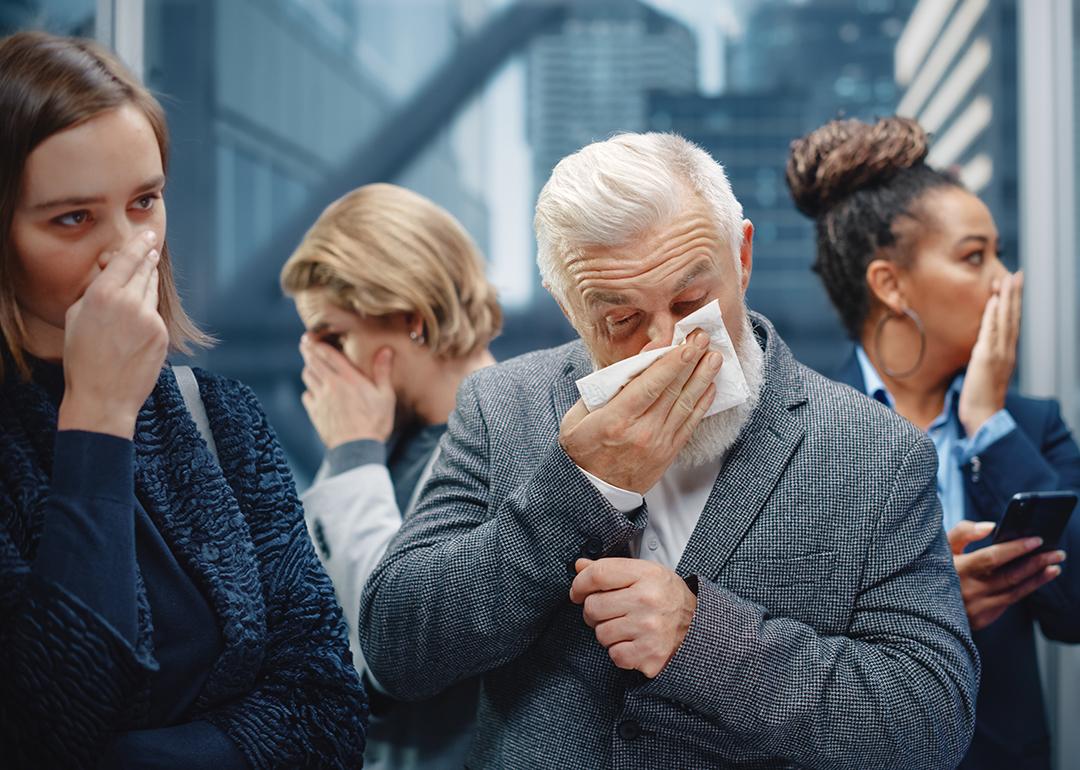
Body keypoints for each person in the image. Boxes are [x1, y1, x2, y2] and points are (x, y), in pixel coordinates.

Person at [357, 131, 979, 769]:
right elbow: (395, 650)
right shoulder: (500, 405)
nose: (668, 349)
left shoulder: (875, 451)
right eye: (621, 321)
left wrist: (700, 638)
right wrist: (578, 488)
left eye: (691, 302)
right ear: (570, 308)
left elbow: (929, 721)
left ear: (742, 257)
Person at [0, 31, 366, 768]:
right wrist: (97, 420)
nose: (128, 248)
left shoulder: (217, 417)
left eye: (145, 202)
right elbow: (51, 719)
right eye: (72, 218)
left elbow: (330, 705)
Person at [786, 115, 1080, 770]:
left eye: (998, 253)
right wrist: (935, 610)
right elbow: (770, 643)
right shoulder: (795, 433)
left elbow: (1076, 609)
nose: (1004, 280)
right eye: (975, 257)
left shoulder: (1030, 428)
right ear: (890, 285)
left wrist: (987, 422)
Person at [280, 182, 500, 769]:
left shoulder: (513, 449)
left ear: (412, 318)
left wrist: (352, 453)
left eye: (333, 336)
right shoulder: (382, 443)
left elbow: (393, 658)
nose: (316, 363)